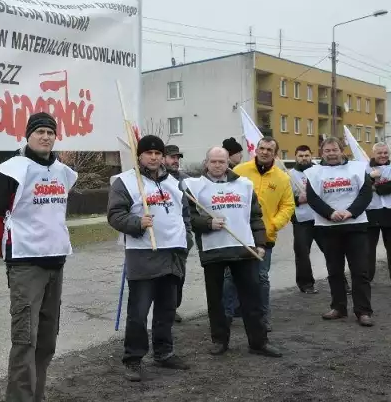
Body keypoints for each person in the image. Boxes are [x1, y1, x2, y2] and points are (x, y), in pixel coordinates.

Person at [0, 112, 78, 402]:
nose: (46, 137)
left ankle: (36, 395)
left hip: (56, 262)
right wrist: (3, 248)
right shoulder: (10, 171)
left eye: (51, 132)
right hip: (26, 263)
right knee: (26, 340)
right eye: (40, 132)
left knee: (47, 342)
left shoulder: (64, 171)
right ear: (28, 136)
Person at [107, 135, 193, 382]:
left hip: (173, 254)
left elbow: (185, 214)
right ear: (140, 156)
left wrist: (186, 239)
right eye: (148, 153)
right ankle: (133, 359)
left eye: (158, 153)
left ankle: (164, 353)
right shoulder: (126, 182)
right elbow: (114, 215)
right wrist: (136, 223)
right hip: (143, 254)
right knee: (139, 311)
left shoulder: (176, 183)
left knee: (167, 309)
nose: (154, 157)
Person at [183, 147, 281, 357]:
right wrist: (207, 223)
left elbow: (255, 216)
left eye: (221, 161)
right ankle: (219, 340)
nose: (217, 165)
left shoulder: (244, 185)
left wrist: (261, 244)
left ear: (229, 162)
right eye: (213, 161)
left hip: (244, 248)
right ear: (206, 162)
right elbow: (188, 217)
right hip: (213, 251)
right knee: (216, 300)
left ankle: (258, 342)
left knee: (252, 298)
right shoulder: (193, 187)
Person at [226, 137, 295, 332]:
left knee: (261, 278)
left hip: (264, 237)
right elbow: (223, 193)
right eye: (262, 148)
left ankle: (263, 318)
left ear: (275, 153)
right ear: (256, 149)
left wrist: (273, 225)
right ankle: (227, 316)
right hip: (236, 234)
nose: (264, 152)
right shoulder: (239, 171)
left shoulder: (282, 178)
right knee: (230, 277)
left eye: (269, 150)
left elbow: (288, 206)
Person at [305, 137, 374, 326]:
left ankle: (363, 311)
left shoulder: (358, 168)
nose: (331, 153)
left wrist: (350, 211)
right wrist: (330, 213)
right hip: (328, 228)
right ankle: (338, 307)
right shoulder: (313, 173)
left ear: (342, 150)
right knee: (334, 271)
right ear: (322, 153)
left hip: (355, 226)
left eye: (334, 149)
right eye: (327, 151)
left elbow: (366, 193)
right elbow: (312, 198)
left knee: (360, 271)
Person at [289, 145, 322, 294]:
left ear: (311, 156)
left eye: (306, 155)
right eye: (301, 156)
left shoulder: (320, 171)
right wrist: (297, 199)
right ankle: (306, 284)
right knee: (302, 253)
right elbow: (285, 198)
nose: (304, 158)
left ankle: (341, 282)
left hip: (322, 217)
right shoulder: (289, 175)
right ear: (296, 157)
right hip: (302, 220)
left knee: (332, 251)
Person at [164, 144, 189, 323]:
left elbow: (192, 210)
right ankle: (164, 308)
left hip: (181, 237)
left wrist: (188, 236)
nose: (175, 161)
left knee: (179, 276)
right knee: (163, 277)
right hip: (163, 235)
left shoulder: (185, 181)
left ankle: (173, 308)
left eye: (177, 158)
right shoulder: (155, 180)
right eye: (172, 157)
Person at [220, 137, 244, 319]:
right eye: (238, 153)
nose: (241, 156)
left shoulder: (241, 174)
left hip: (240, 228)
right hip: (224, 230)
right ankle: (227, 308)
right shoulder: (224, 174)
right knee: (228, 275)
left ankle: (237, 305)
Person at [365, 142, 391, 281]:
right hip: (371, 213)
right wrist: (370, 178)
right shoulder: (364, 167)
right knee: (368, 251)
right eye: (379, 153)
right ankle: (367, 280)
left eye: (385, 152)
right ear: (373, 153)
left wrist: (375, 187)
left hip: (389, 213)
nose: (383, 155)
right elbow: (360, 186)